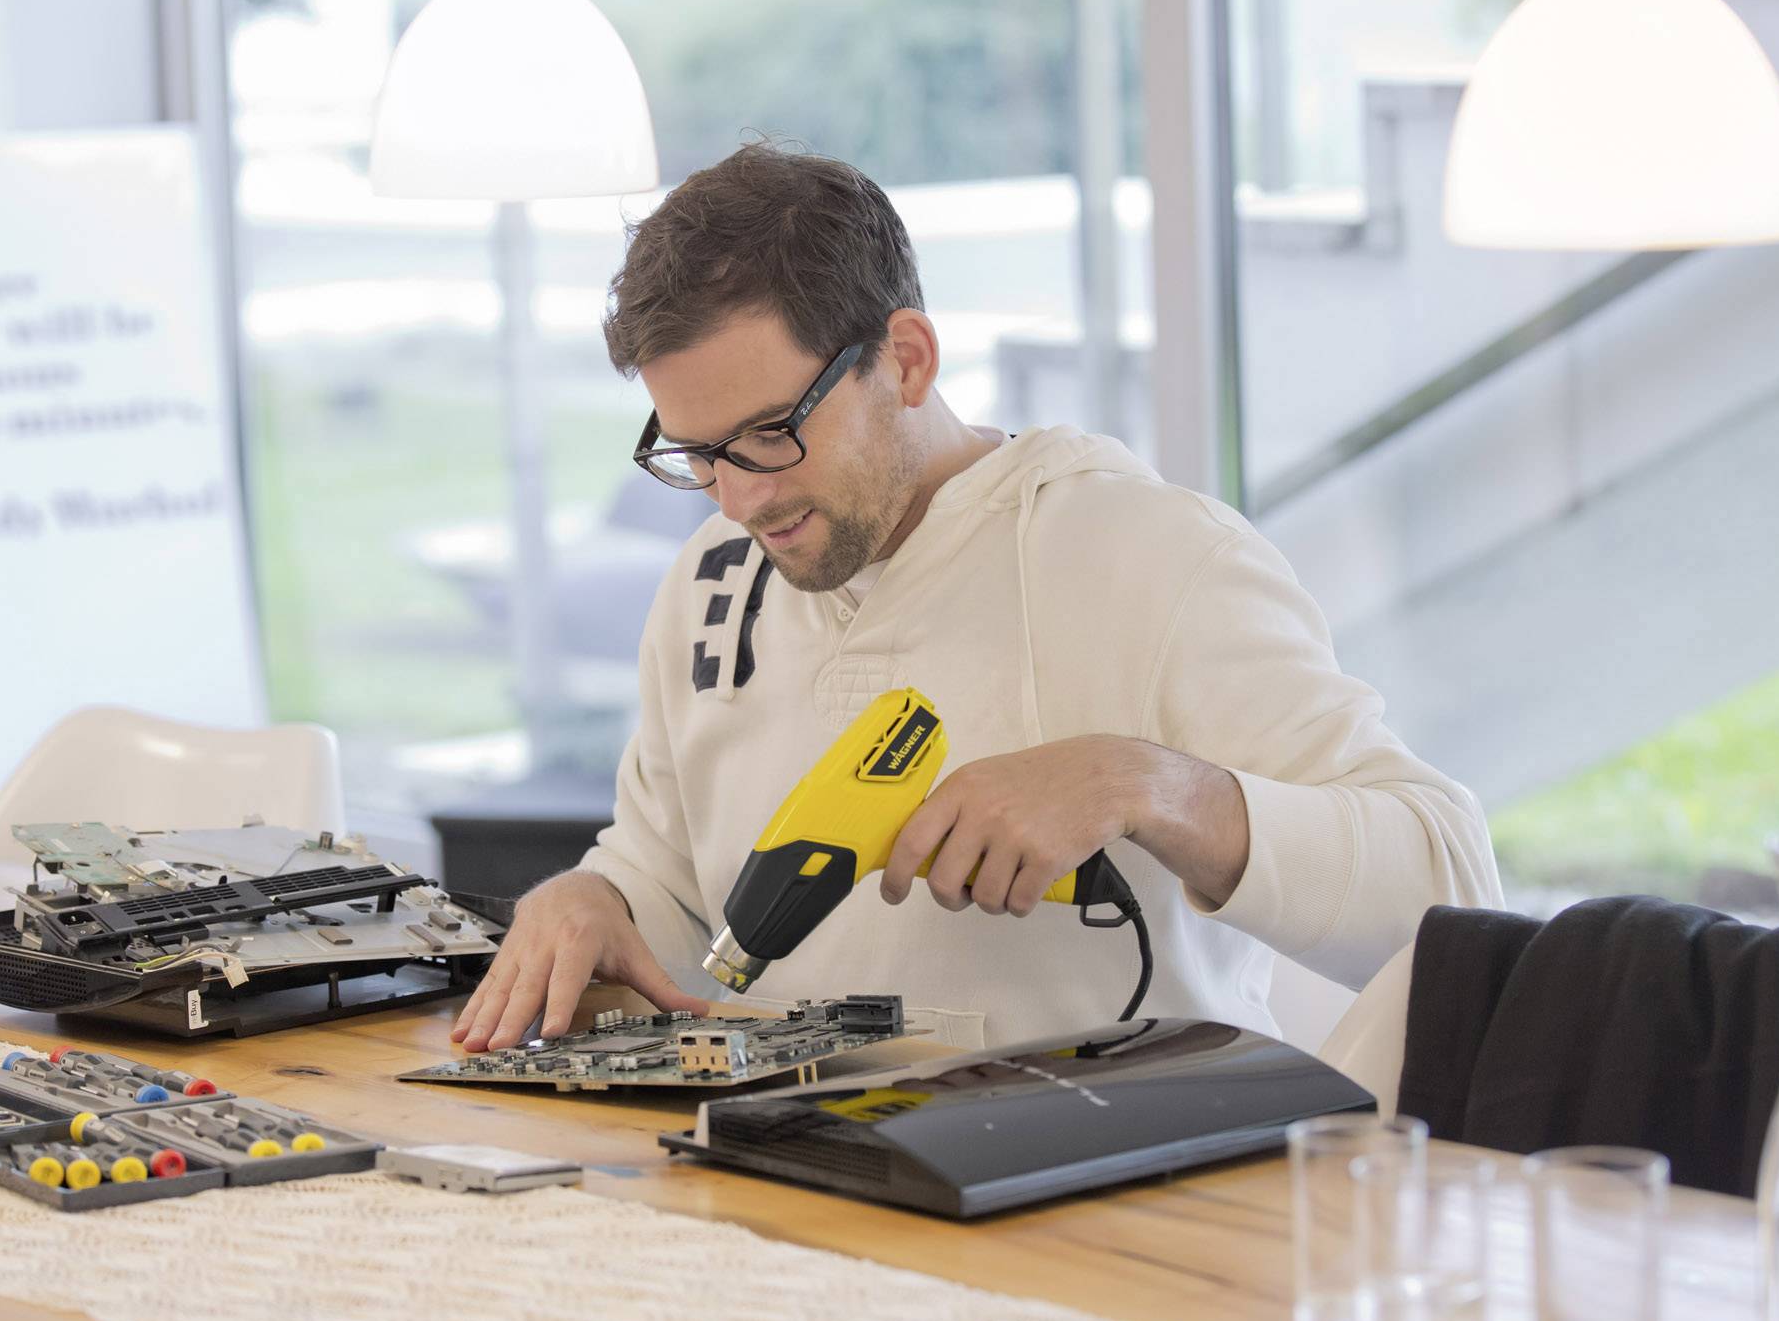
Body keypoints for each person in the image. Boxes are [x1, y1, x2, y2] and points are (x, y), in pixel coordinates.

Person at [451, 143, 1500, 1054]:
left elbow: (1451, 891)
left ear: (906, 361)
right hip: (788, 1181)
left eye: (772, 433)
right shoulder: (711, 584)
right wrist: (596, 899)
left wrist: (1146, 784)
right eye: (698, 453)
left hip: (1112, 1186)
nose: (740, 500)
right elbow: (669, 879)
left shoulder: (1157, 557)